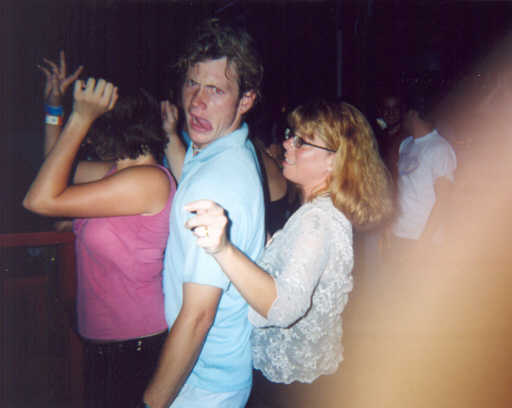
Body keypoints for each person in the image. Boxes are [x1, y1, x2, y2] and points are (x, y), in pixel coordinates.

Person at [184, 99, 393, 406]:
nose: (286, 143)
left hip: (291, 388)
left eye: (301, 142)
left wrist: (222, 248)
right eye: (290, 134)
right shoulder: (316, 211)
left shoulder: (317, 220)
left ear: (335, 160)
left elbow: (284, 309)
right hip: (305, 379)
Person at [23, 56, 175, 408]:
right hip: (104, 341)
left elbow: (38, 201)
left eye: (93, 125)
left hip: (135, 345)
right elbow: (53, 169)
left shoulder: (148, 181)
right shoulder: (115, 173)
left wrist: (80, 117)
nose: (88, 137)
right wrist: (55, 107)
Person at [142, 19, 265, 408]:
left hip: (203, 380)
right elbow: (191, 181)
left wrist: (151, 403)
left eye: (216, 90)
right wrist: (170, 136)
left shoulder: (217, 181)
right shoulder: (225, 147)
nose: (197, 102)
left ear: (246, 100)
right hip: (219, 369)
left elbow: (197, 318)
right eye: (192, 83)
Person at [385, 93, 457, 255]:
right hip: (399, 235)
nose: (401, 117)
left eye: (404, 112)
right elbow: (402, 190)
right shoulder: (406, 144)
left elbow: (444, 199)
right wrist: (390, 226)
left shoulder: (439, 148)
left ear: (413, 113)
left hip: (423, 240)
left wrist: (425, 240)